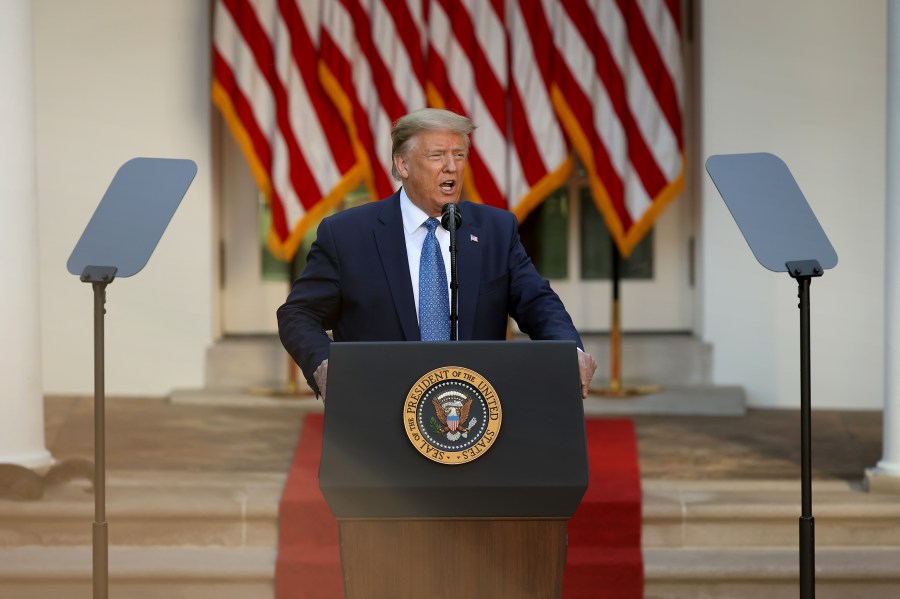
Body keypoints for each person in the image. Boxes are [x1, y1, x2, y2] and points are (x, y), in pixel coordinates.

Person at [277, 108, 597, 399]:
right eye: (437, 156)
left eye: (459, 155)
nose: (451, 167)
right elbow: (298, 314)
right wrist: (325, 362)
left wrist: (568, 350)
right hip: (377, 405)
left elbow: (539, 303)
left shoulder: (495, 230)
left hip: (473, 414)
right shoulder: (347, 234)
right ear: (403, 164)